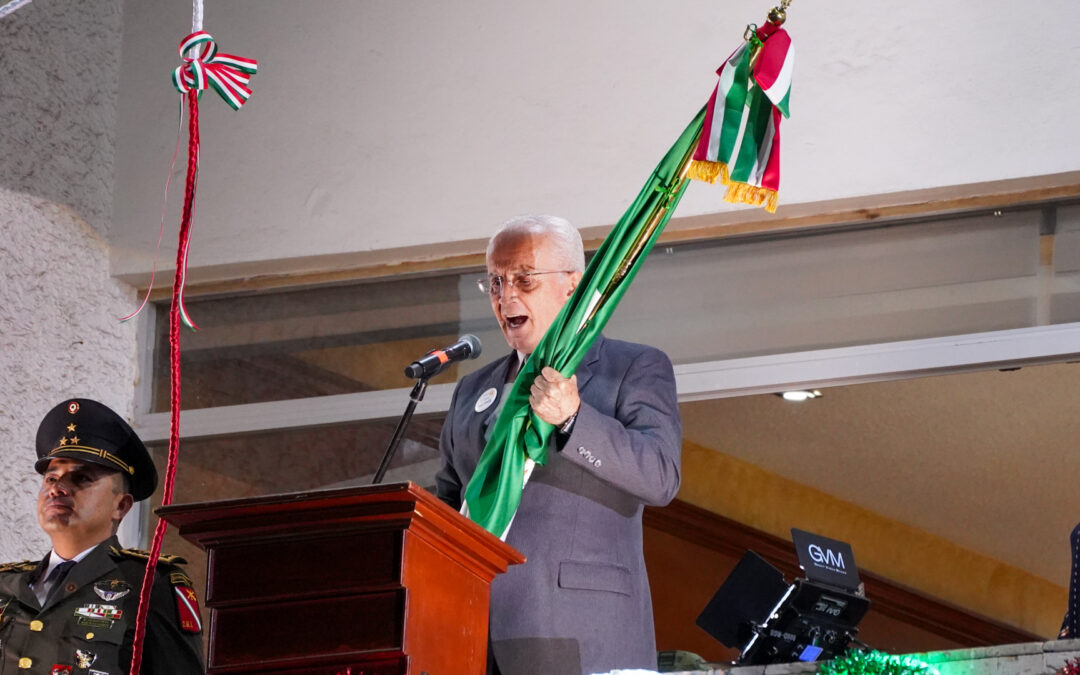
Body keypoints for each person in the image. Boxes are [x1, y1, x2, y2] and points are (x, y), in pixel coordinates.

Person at [435, 215, 682, 675]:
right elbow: (448, 503)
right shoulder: (472, 389)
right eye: (494, 282)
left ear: (573, 285)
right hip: (472, 632)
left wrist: (574, 418)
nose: (506, 296)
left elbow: (660, 475)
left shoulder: (632, 367)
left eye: (524, 279)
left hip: (580, 630)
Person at [0, 398, 204, 673]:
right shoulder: (5, 584)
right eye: (51, 478)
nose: (57, 488)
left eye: (81, 478)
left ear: (120, 506)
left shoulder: (149, 583)